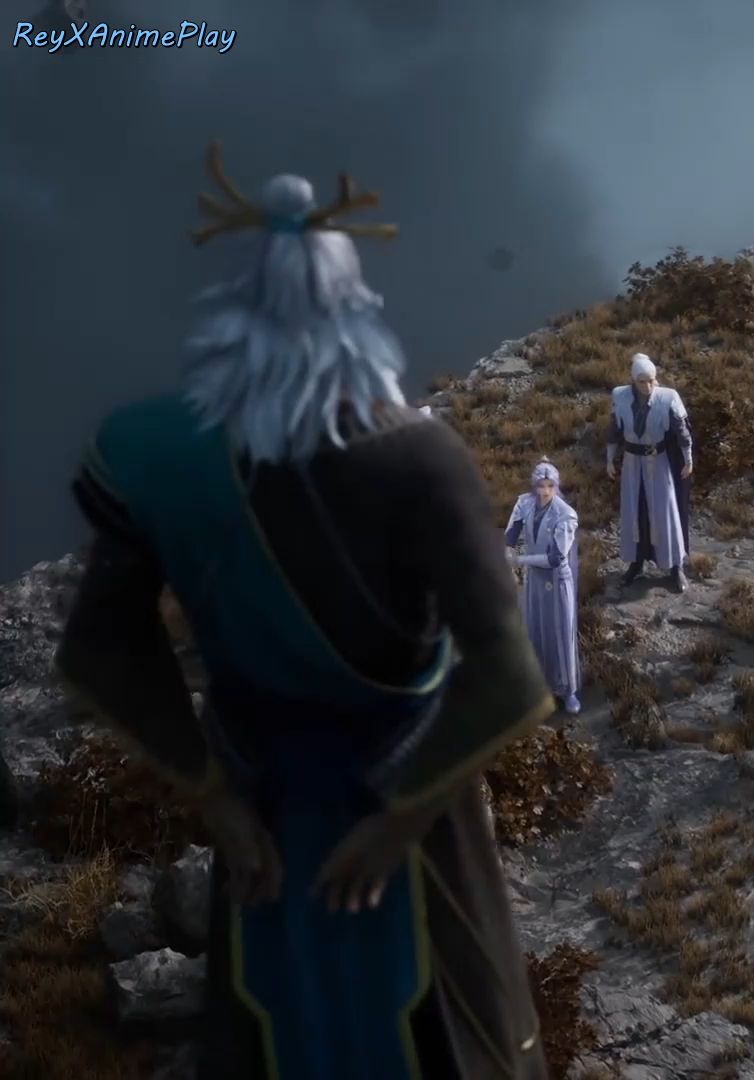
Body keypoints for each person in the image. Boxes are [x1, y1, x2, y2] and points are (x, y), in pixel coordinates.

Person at [54, 144, 549, 1079]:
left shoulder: (160, 455)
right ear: (352, 308)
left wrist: (214, 795)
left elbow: (102, 649)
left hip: (262, 814)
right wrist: (397, 820)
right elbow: (510, 676)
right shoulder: (419, 460)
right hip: (407, 819)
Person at [605, 352, 693, 592]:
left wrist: (688, 460)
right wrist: (609, 460)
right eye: (642, 381)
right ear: (634, 381)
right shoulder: (620, 396)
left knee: (666, 512)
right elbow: (614, 430)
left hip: (659, 462)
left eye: (651, 380)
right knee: (634, 510)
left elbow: (682, 432)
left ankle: (675, 566)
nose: (648, 386)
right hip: (632, 463)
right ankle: (636, 563)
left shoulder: (667, 397)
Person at [505, 457, 581, 714]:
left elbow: (555, 558)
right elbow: (512, 535)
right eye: (540, 485)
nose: (545, 491)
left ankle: (568, 690)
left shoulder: (566, 514)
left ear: (556, 486)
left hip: (556, 580)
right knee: (534, 629)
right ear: (534, 485)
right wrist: (510, 553)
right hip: (534, 581)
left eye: (550, 485)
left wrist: (521, 559)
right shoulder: (524, 504)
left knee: (560, 632)